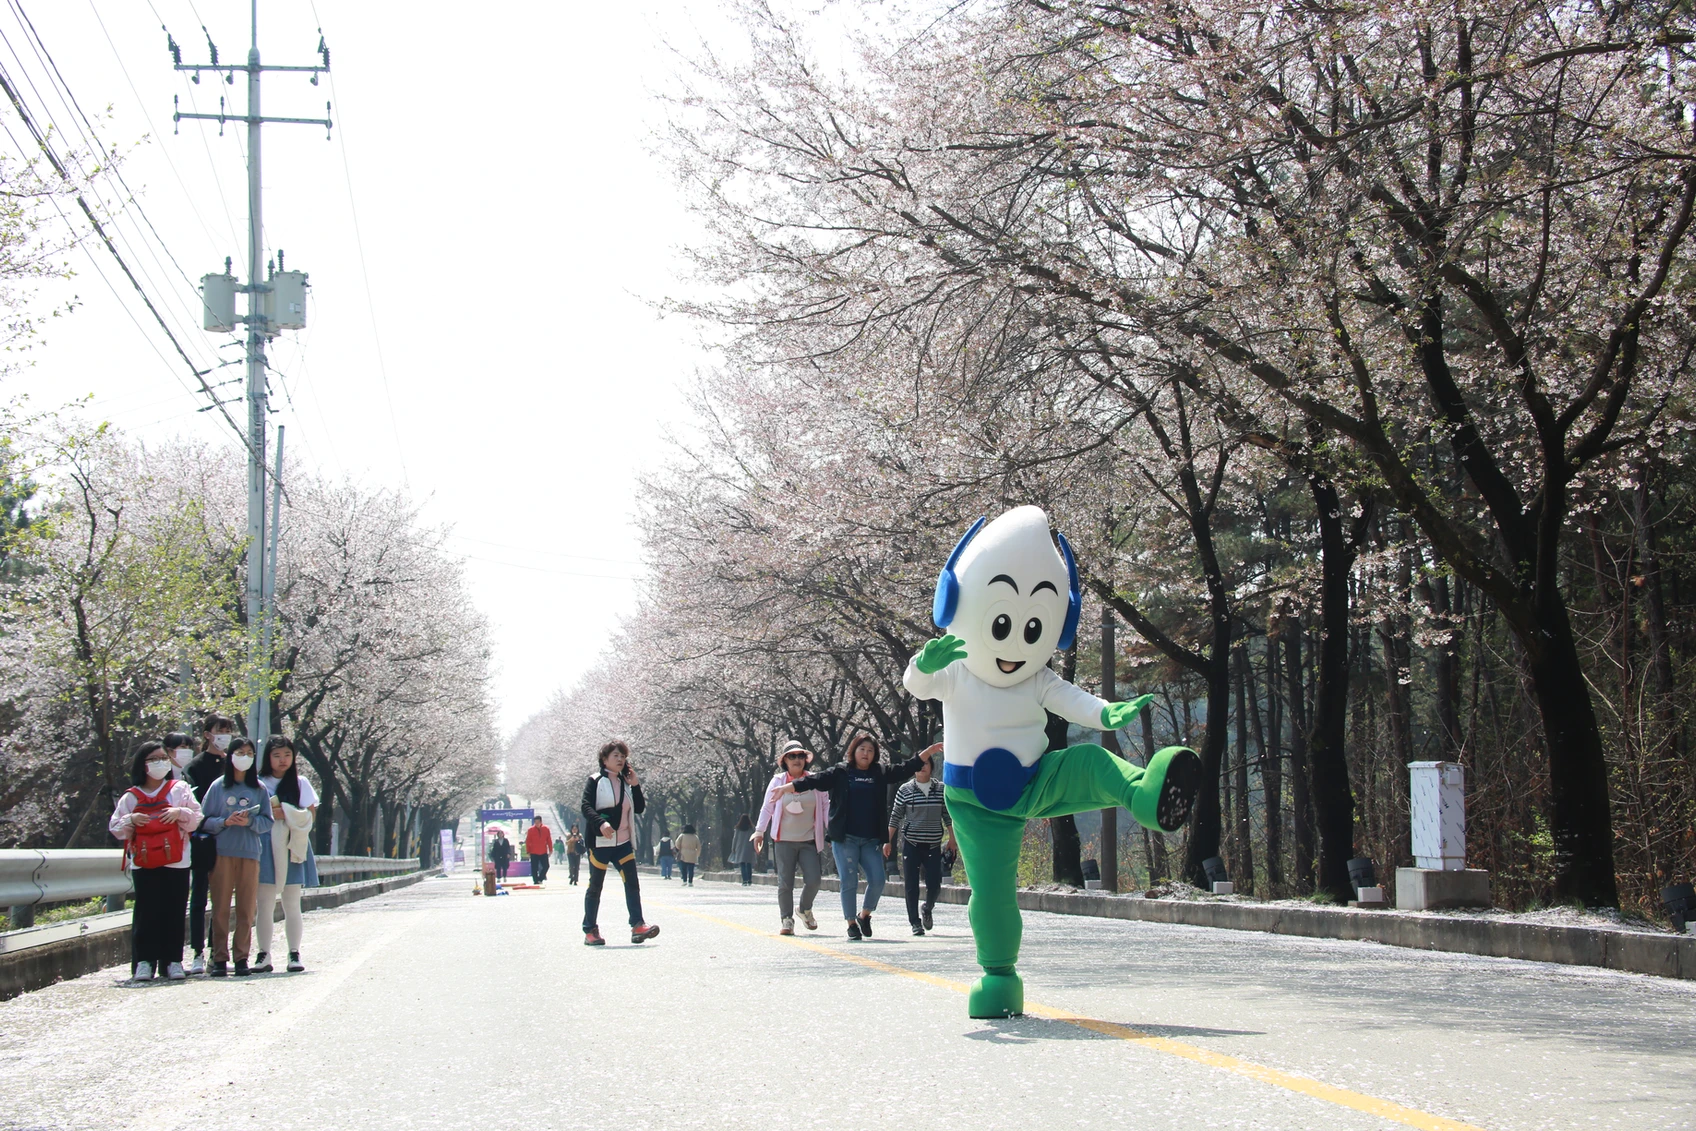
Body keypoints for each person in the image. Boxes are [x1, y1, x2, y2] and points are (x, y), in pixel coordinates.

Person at [781, 733, 930, 940]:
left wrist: (928, 752)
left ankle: (864, 915)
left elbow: (905, 769)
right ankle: (851, 923)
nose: (866, 754)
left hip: (870, 840)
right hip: (845, 838)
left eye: (870, 751)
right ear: (854, 751)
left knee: (878, 880)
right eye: (862, 750)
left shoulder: (879, 772)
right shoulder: (842, 772)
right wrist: (791, 786)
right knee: (849, 880)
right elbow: (817, 780)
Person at [109, 741, 202, 981]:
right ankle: (144, 961)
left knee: (174, 908)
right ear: (143, 764)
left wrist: (179, 813)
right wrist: (131, 819)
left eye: (163, 758)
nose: (161, 762)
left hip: (177, 860)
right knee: (146, 911)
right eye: (153, 759)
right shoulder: (131, 796)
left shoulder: (179, 789)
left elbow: (196, 818)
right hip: (143, 861)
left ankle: (172, 961)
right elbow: (116, 827)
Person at [199, 737, 274, 977]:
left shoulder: (259, 789)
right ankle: (219, 957)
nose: (245, 757)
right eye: (240, 752)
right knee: (220, 907)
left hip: (250, 853)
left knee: (246, 908)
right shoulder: (218, 786)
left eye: (249, 753)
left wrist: (250, 820)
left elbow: (267, 822)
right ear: (230, 756)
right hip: (222, 853)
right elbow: (203, 821)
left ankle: (241, 956)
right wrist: (225, 822)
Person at [578, 740, 660, 945]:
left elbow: (639, 808)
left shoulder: (626, 783)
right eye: (616, 756)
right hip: (600, 844)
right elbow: (586, 806)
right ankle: (590, 930)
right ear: (604, 759)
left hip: (622, 843)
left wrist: (636, 785)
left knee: (632, 883)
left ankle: (638, 925)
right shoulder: (595, 780)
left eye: (623, 756)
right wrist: (601, 823)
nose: (620, 759)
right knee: (595, 886)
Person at [254, 735, 318, 975]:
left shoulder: (300, 783)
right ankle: (264, 953)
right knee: (265, 902)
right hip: (264, 846)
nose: (282, 761)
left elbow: (310, 816)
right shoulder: (258, 783)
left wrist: (286, 813)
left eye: (287, 755)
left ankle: (294, 952)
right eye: (277, 755)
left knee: (292, 902)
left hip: (293, 844)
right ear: (268, 758)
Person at [751, 741, 829, 935]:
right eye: (792, 756)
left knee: (814, 880)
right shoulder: (778, 781)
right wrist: (759, 831)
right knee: (785, 882)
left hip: (809, 840)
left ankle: (804, 909)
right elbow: (767, 807)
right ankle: (787, 919)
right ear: (784, 760)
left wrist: (833, 829)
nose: (797, 760)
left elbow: (826, 806)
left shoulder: (814, 780)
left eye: (800, 756)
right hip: (783, 840)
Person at [184, 712, 235, 975]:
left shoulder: (235, 765)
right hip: (204, 839)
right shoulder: (194, 767)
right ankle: (196, 951)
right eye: (220, 730)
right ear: (207, 734)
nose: (224, 735)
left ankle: (219, 952)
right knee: (200, 895)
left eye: (228, 730)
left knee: (224, 898)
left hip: (231, 840)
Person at [889, 744, 955, 935]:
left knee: (934, 884)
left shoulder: (940, 789)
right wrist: (888, 840)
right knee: (911, 885)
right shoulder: (905, 790)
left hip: (933, 845)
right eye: (919, 764)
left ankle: (928, 907)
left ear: (932, 767)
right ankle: (915, 923)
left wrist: (952, 838)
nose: (922, 767)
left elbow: (947, 815)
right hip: (911, 844)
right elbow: (895, 816)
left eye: (926, 763)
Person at [727, 814, 755, 885]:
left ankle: (744, 880)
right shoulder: (751, 829)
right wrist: (755, 847)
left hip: (740, 848)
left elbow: (735, 839)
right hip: (749, 848)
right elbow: (754, 838)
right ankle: (749, 879)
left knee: (742, 864)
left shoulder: (738, 828)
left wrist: (733, 848)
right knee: (749, 864)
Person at [525, 815, 552, 883]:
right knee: (534, 867)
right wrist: (528, 851)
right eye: (535, 822)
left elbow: (549, 840)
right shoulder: (530, 830)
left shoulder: (546, 829)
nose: (537, 824)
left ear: (541, 822)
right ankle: (535, 880)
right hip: (534, 851)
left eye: (538, 822)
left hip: (543, 851)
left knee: (546, 866)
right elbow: (528, 841)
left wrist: (550, 849)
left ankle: (541, 878)